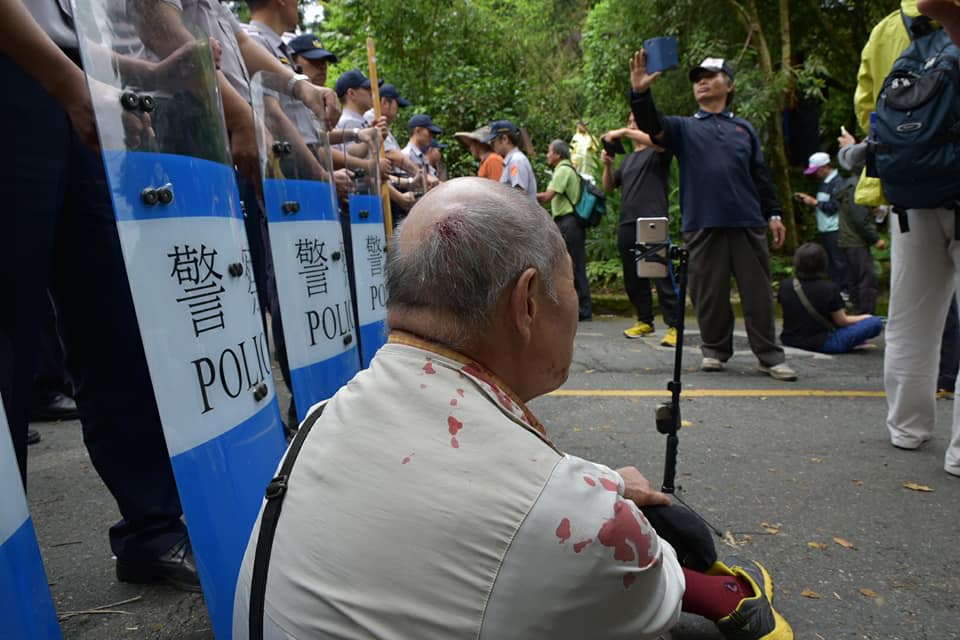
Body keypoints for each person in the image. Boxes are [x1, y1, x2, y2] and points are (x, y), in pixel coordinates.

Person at [232, 177, 793, 640]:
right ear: (527, 303)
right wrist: (603, 505)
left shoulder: (321, 418)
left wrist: (593, 484)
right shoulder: (569, 520)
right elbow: (656, 589)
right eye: (569, 284)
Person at [2, 0, 198, 590]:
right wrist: (68, 84)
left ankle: (153, 529)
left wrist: (143, 76)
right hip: (21, 78)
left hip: (77, 85)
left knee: (115, 318)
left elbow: (58, 28)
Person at [629, 52, 797, 381]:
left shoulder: (744, 129)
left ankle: (769, 356)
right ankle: (715, 350)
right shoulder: (683, 128)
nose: (702, 82)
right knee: (708, 293)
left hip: (747, 221)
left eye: (710, 76)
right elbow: (651, 125)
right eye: (697, 79)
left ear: (729, 85)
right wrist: (640, 93)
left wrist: (774, 213)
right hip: (702, 222)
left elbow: (760, 176)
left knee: (758, 292)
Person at [601, 113, 681, 346]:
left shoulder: (658, 150)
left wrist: (624, 132)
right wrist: (608, 166)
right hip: (627, 221)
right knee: (633, 276)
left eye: (635, 120)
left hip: (652, 219)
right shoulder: (627, 161)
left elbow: (657, 142)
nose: (630, 124)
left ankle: (675, 325)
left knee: (660, 273)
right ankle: (644, 320)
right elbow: (608, 187)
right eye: (628, 122)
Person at [778, 244, 882, 354]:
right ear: (823, 264)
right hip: (823, 343)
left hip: (790, 340)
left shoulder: (786, 285)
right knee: (875, 322)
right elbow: (842, 321)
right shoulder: (829, 288)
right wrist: (866, 316)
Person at [537, 140, 592, 321]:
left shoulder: (562, 170)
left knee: (572, 265)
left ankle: (583, 310)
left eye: (549, 151)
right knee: (574, 264)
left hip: (568, 223)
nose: (547, 155)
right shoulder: (569, 169)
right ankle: (581, 308)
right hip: (571, 223)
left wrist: (525, 193)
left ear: (558, 154)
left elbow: (547, 196)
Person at [795, 152, 848, 295]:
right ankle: (835, 289)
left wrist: (815, 202)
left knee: (839, 262)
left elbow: (835, 206)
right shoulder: (825, 183)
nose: (816, 174)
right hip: (826, 229)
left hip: (835, 228)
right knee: (830, 262)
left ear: (825, 167)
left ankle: (844, 291)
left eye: (817, 170)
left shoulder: (838, 182)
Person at [483, 119, 537, 202]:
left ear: (504, 139)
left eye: (493, 142)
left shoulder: (516, 160)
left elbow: (519, 195)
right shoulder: (511, 160)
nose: (491, 145)